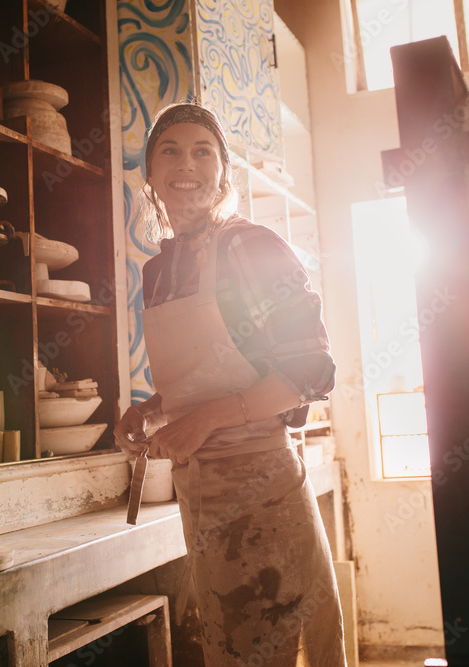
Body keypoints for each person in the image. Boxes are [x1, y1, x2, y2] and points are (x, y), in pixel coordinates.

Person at [115, 102, 347, 666]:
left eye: (203, 151)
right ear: (149, 174)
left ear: (222, 172)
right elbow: (208, 375)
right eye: (169, 150)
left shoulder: (253, 246)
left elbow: (310, 371)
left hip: (263, 483)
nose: (185, 163)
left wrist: (207, 419)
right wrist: (153, 409)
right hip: (198, 493)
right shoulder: (157, 269)